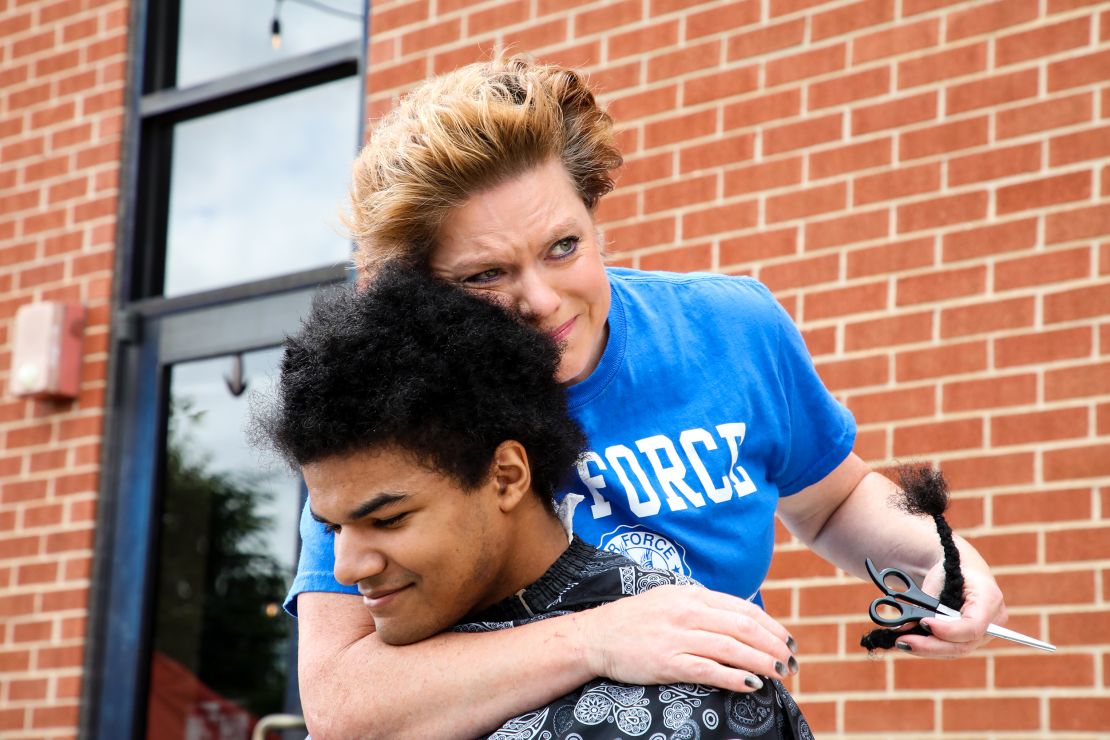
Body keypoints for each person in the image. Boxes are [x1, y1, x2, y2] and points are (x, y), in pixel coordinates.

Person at [287, 55, 1008, 738]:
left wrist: (939, 559)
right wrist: (597, 640)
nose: (541, 300)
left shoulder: (732, 329)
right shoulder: (395, 413)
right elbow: (342, 702)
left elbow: (833, 501)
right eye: (485, 276)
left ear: (594, 213)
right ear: (419, 292)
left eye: (563, 246)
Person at [257, 265, 814, 738]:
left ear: (505, 477)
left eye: (388, 519)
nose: (348, 569)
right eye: (330, 528)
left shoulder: (682, 687)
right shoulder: (398, 661)